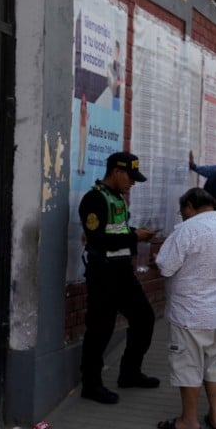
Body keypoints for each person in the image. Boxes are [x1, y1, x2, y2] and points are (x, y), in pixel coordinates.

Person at [154, 188, 216, 429]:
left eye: (182, 210)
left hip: (189, 313)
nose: (181, 215)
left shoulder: (186, 230)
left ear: (190, 206)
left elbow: (166, 267)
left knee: (188, 367)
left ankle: (188, 421)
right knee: (215, 366)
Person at [77, 151, 159, 404]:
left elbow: (117, 230)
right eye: (130, 177)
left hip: (122, 271)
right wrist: (135, 237)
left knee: (144, 318)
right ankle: (91, 385)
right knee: (100, 329)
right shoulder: (94, 199)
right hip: (103, 272)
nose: (132, 182)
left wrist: (136, 233)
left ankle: (130, 373)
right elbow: (98, 239)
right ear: (116, 172)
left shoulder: (117, 198)